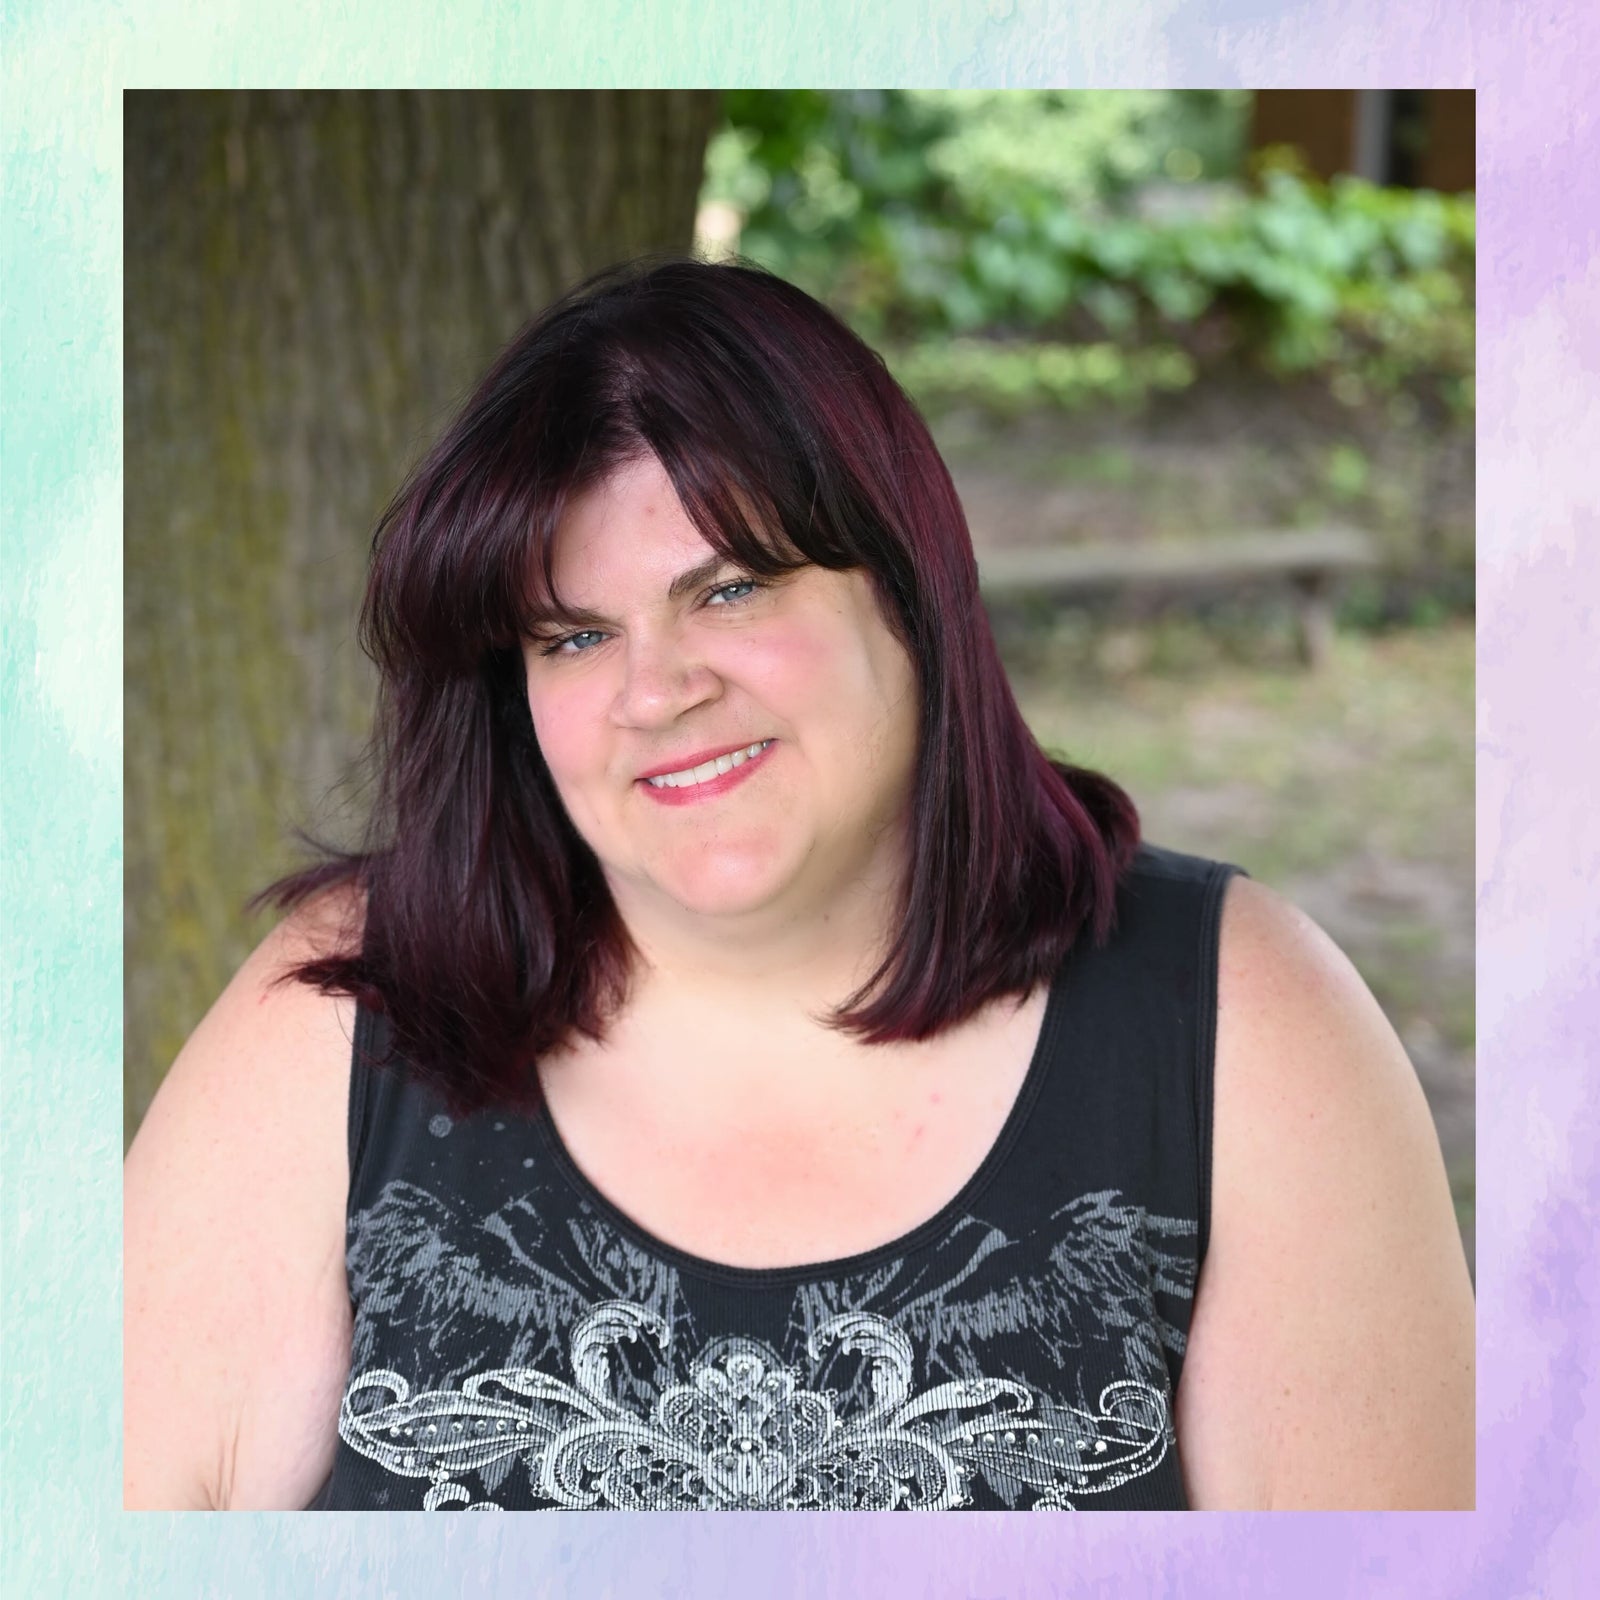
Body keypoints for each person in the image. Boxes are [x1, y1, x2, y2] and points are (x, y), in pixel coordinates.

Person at [123, 257, 1474, 1512]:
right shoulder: (347, 1011)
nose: (658, 691)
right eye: (576, 635)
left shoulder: (1239, 1019)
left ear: (909, 593)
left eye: (731, 592)